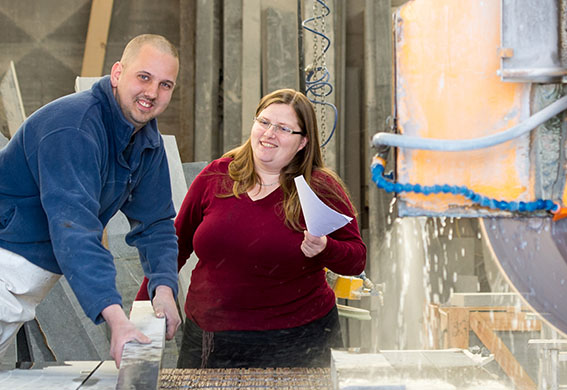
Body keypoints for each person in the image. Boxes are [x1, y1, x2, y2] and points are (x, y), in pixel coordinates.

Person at [137, 88, 366, 368]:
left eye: (284, 128)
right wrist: (143, 310)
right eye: (264, 122)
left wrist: (326, 248)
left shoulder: (318, 188)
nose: (269, 133)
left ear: (303, 142)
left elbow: (357, 259)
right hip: (212, 340)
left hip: (299, 342)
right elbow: (175, 244)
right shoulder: (217, 175)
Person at [0, 34, 182, 367]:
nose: (152, 93)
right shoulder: (74, 128)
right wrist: (116, 319)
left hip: (26, 282)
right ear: (117, 74)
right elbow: (75, 228)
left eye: (165, 84)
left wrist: (165, 289)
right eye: (144, 77)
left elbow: (155, 224)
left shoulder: (146, 143)